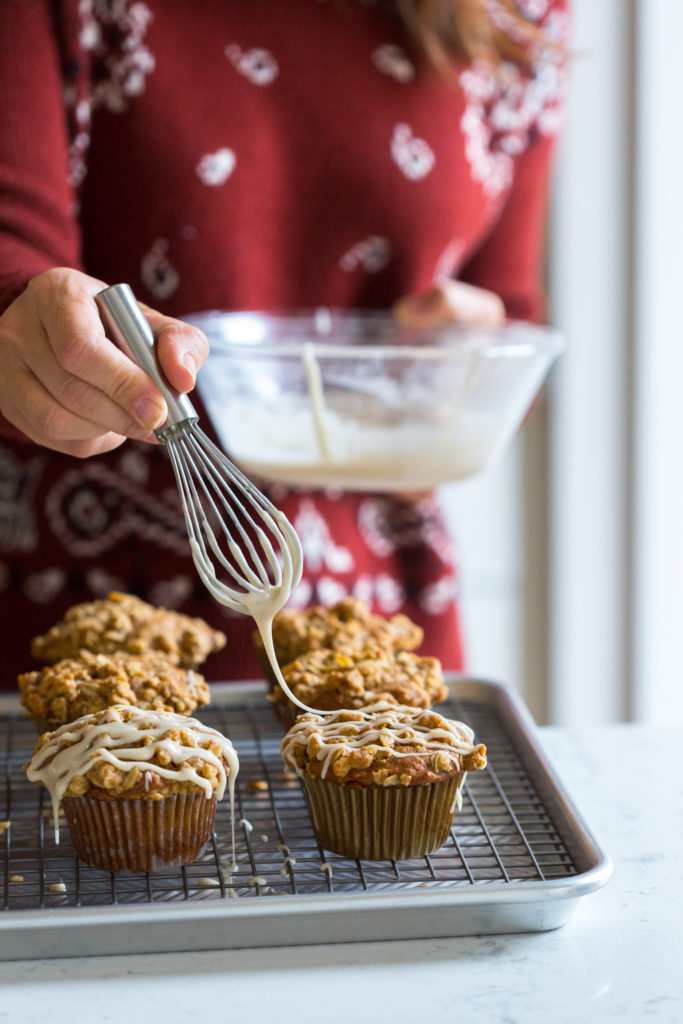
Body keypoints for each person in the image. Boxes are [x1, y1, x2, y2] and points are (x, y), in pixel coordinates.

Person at [0, 0, 568, 683]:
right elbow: (14, 257)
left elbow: (507, 308)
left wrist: (468, 363)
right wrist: (27, 324)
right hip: (72, 610)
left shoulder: (515, 14)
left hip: (384, 627)